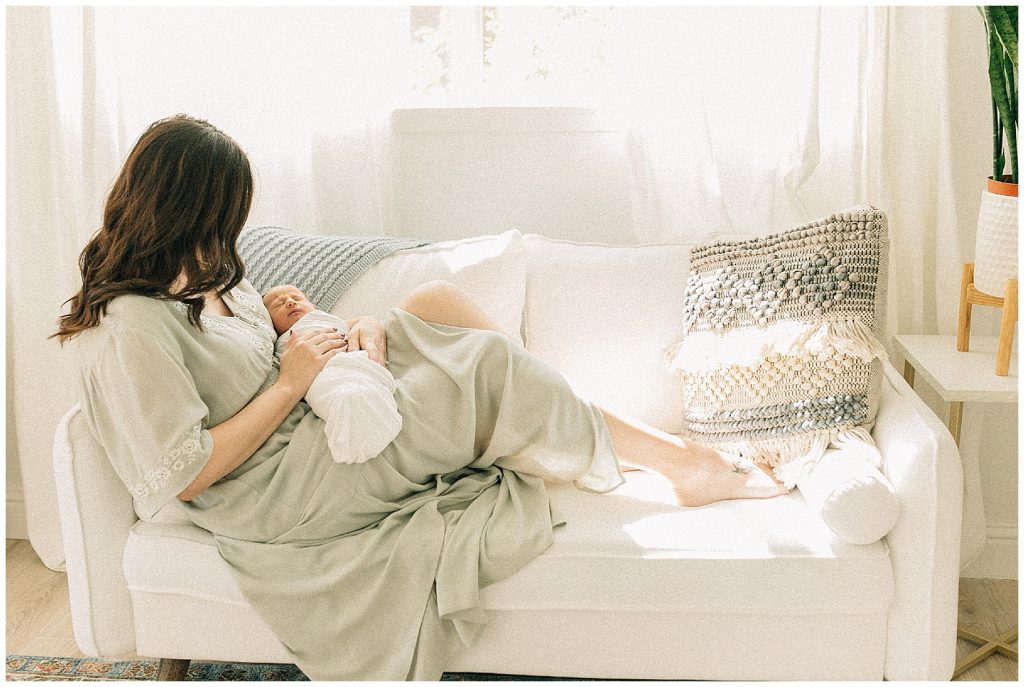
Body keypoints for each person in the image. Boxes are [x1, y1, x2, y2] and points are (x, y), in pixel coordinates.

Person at [53, 114, 788, 680]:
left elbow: (260, 363)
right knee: (491, 369)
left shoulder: (207, 275)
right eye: (223, 212)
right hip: (284, 489)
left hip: (312, 421)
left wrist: (306, 327)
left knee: (433, 302)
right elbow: (188, 469)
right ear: (180, 210)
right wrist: (290, 380)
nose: (233, 229)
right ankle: (678, 463)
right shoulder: (132, 327)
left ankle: (553, 423)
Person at [262, 283, 402, 464]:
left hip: (352, 359)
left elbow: (362, 322)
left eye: (296, 298)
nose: (290, 302)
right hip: (320, 376)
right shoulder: (281, 341)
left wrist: (367, 322)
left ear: (312, 306)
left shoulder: (327, 319)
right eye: (278, 305)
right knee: (336, 395)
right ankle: (354, 423)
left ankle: (370, 407)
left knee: (364, 378)